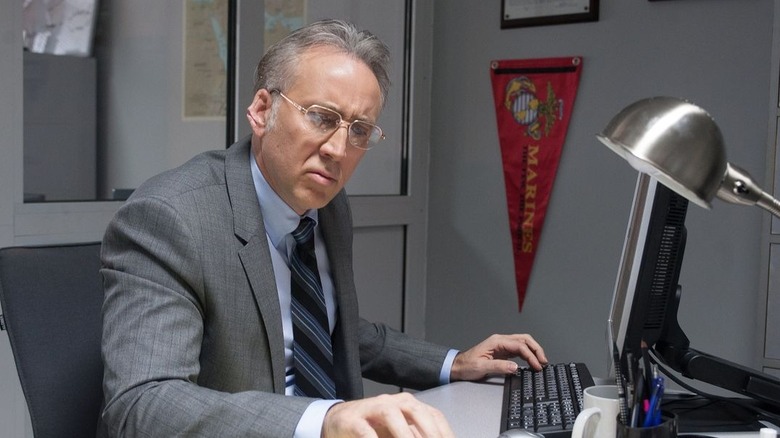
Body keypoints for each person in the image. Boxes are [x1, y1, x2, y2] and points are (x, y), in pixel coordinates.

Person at [99, 19, 547, 437]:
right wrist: (323, 420)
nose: (338, 149)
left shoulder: (328, 205)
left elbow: (338, 329)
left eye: (359, 131)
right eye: (321, 116)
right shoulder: (170, 218)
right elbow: (142, 402)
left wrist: (454, 362)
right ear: (261, 110)